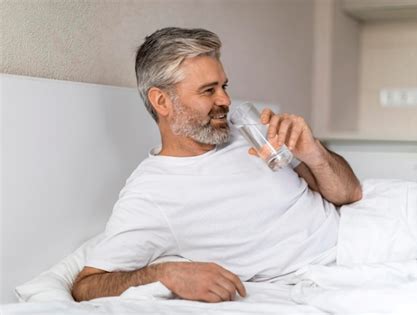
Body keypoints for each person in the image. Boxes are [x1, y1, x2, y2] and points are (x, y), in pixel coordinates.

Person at [72, 27, 362, 303]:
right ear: (162, 101)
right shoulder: (152, 192)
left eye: (224, 86)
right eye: (208, 91)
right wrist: (165, 273)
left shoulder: (245, 127)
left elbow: (348, 193)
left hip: (362, 232)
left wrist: (314, 153)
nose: (226, 99)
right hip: (333, 272)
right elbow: (87, 285)